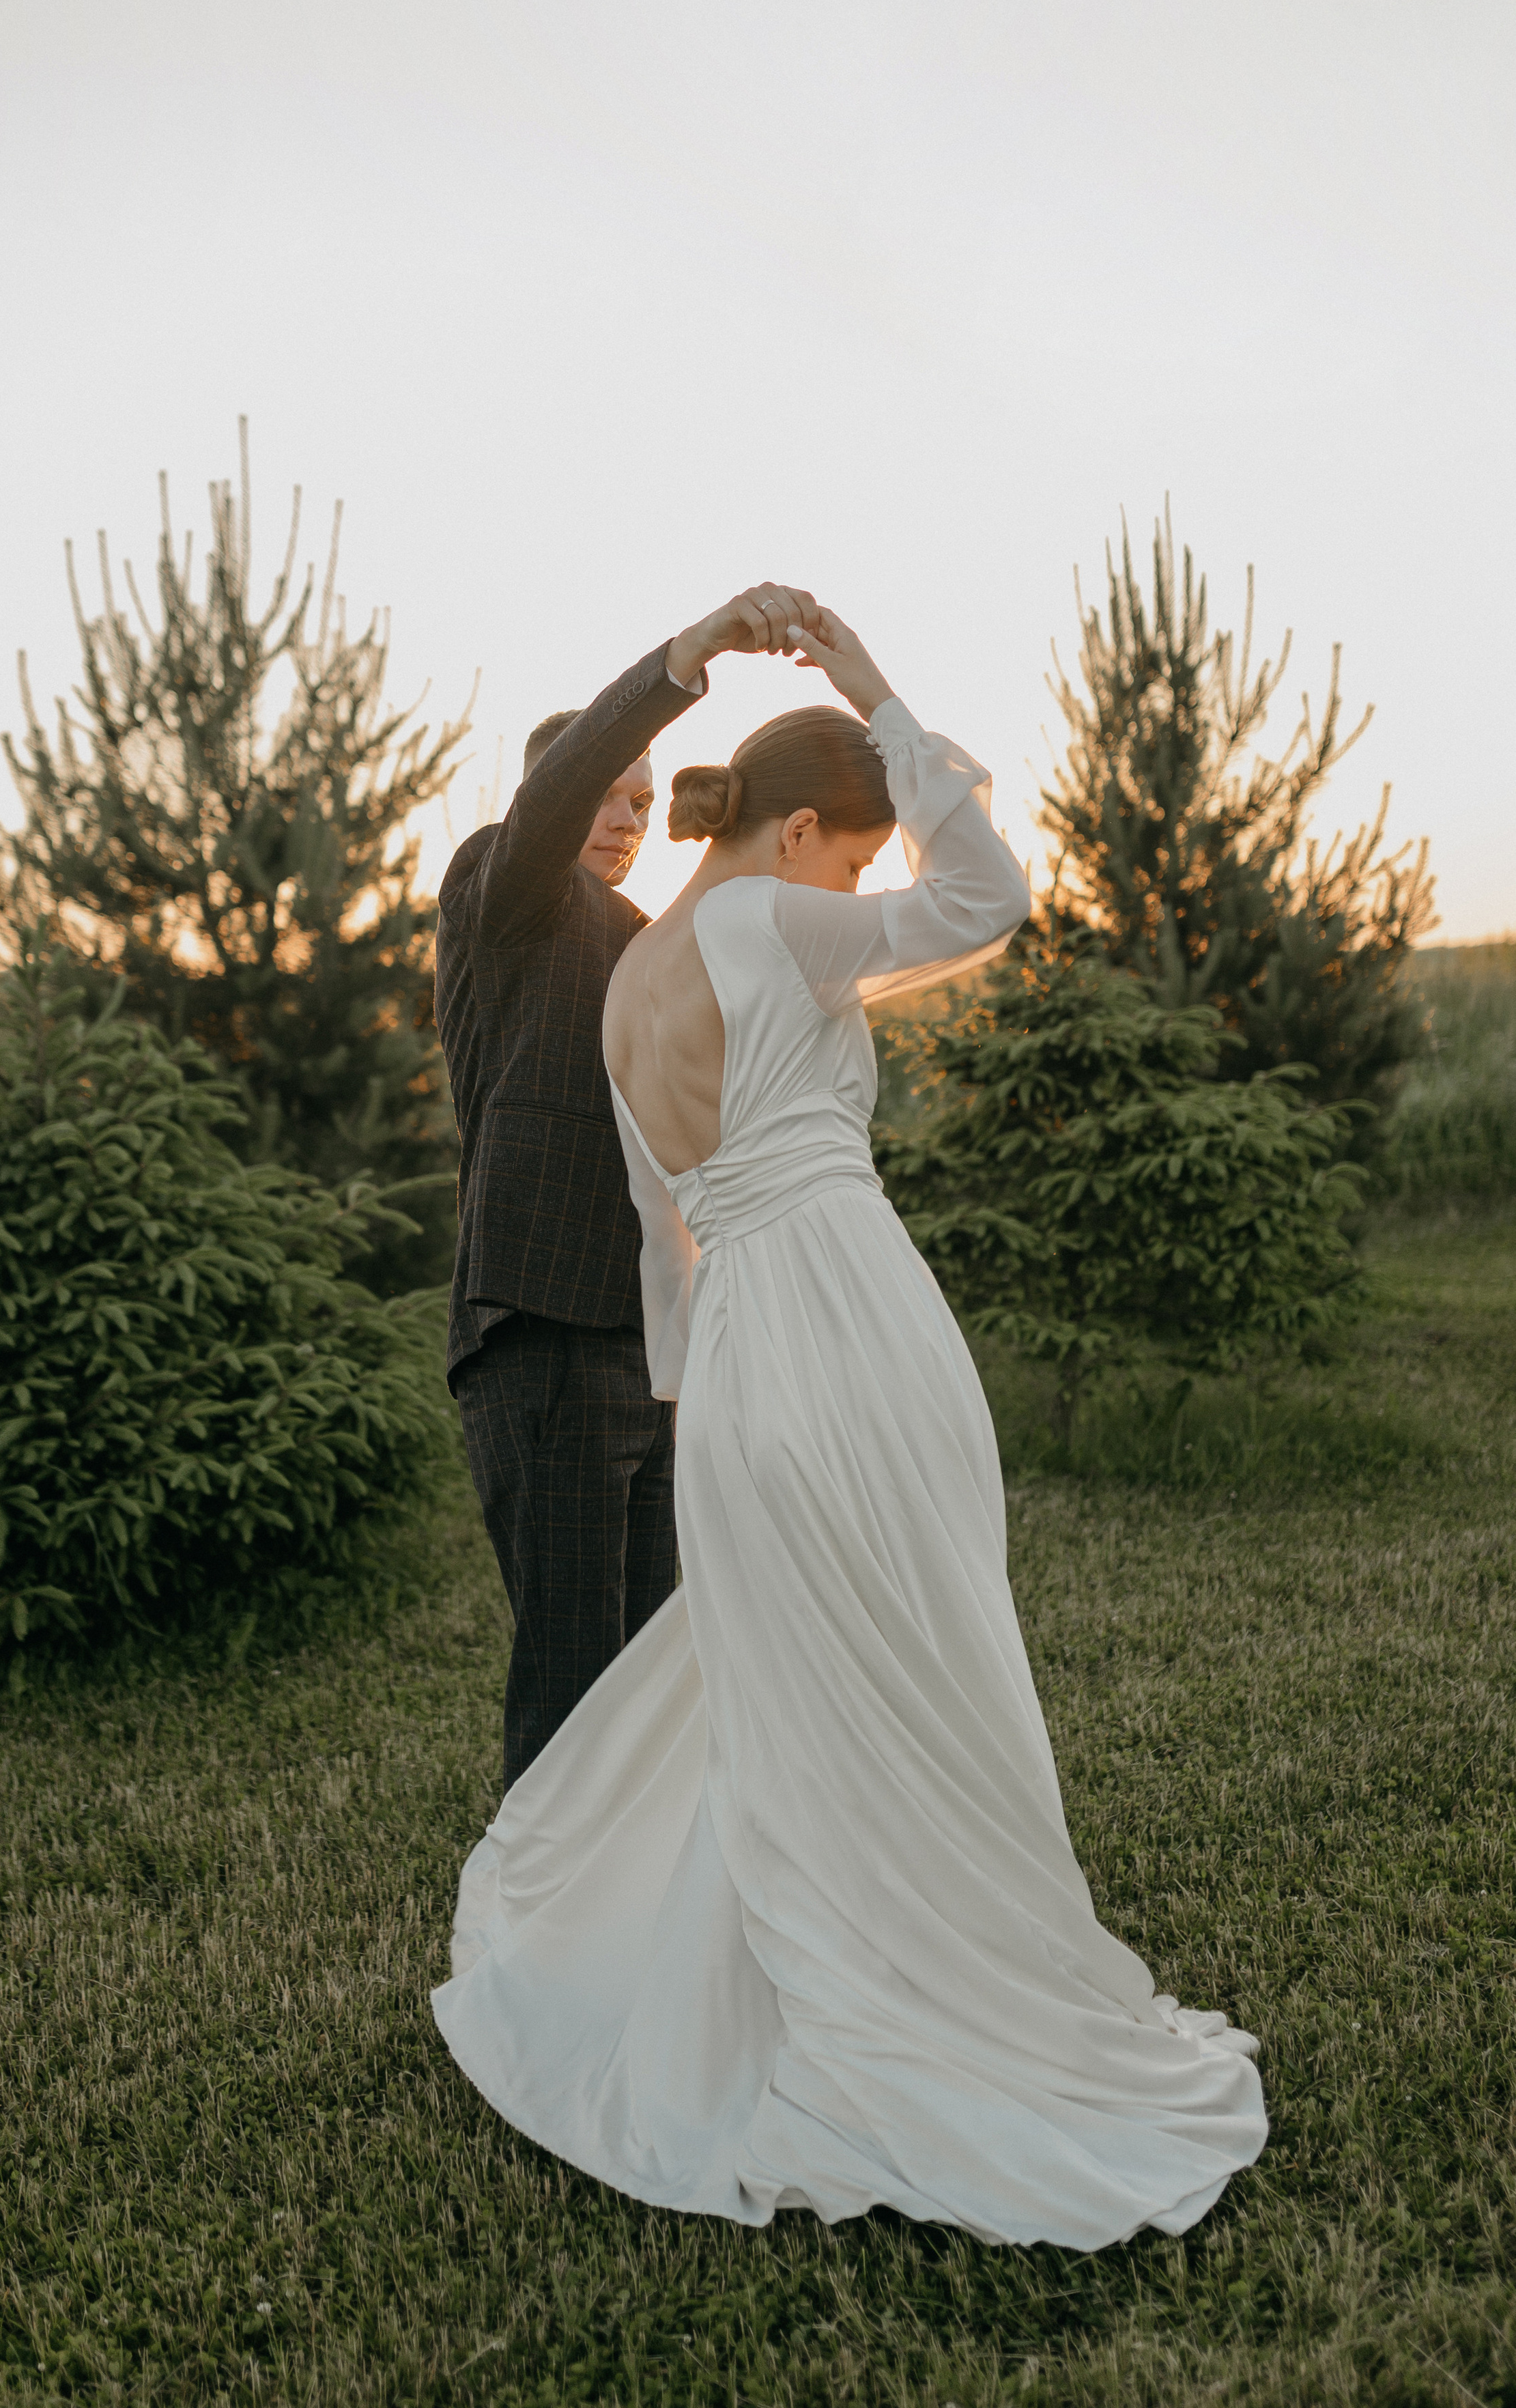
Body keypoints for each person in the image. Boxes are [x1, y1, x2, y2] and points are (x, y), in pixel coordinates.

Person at [433, 604, 1268, 2248]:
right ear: (801, 827)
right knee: (926, 1637)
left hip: (738, 1347)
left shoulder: (632, 987)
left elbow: (671, 1245)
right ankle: (934, 1989)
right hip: (845, 1322)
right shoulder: (760, 921)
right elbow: (991, 898)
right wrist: (877, 692)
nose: (844, 888)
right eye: (844, 854)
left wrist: (705, 1400)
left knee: (780, 1675)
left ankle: (746, 1952)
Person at [435, 584, 827, 1790]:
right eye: (606, 795)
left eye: (644, 805)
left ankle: (637, 1929)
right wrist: (686, 660)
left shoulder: (652, 935)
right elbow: (552, 807)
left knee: (658, 1665)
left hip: (658, 1343)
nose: (623, 819)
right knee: (576, 1672)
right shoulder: (506, 891)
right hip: (542, 1322)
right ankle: (534, 1945)